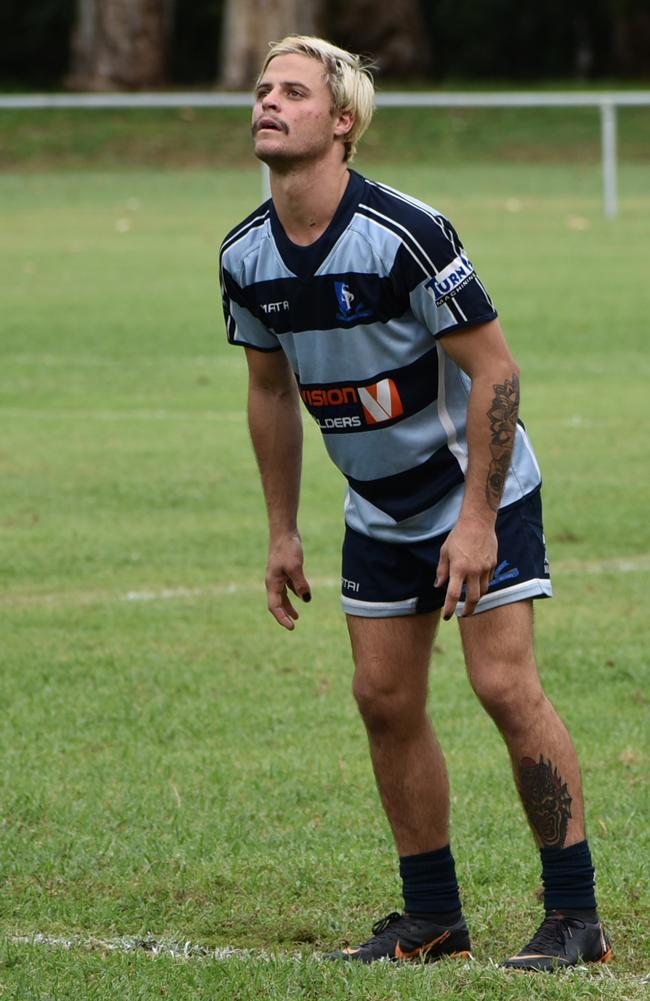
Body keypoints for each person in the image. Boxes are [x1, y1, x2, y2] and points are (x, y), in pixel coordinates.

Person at [219, 35, 611, 971]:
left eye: (294, 92)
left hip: (476, 487)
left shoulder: (404, 232)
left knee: (503, 685)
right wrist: (281, 529)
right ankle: (433, 914)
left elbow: (497, 373)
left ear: (343, 122)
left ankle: (576, 916)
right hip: (379, 508)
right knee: (383, 697)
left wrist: (477, 518)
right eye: (263, 88)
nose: (268, 101)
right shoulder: (245, 255)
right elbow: (271, 393)